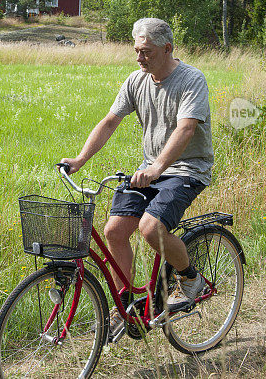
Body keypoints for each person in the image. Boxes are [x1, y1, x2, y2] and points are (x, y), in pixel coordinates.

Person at [61, 17, 213, 337]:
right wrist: (80, 159)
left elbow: (186, 128)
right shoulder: (136, 80)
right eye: (136, 50)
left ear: (167, 48)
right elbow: (109, 121)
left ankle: (190, 279)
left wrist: (158, 167)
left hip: (185, 170)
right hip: (150, 169)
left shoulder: (191, 80)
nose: (139, 57)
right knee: (114, 231)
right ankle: (127, 306)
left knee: (150, 227)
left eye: (146, 51)